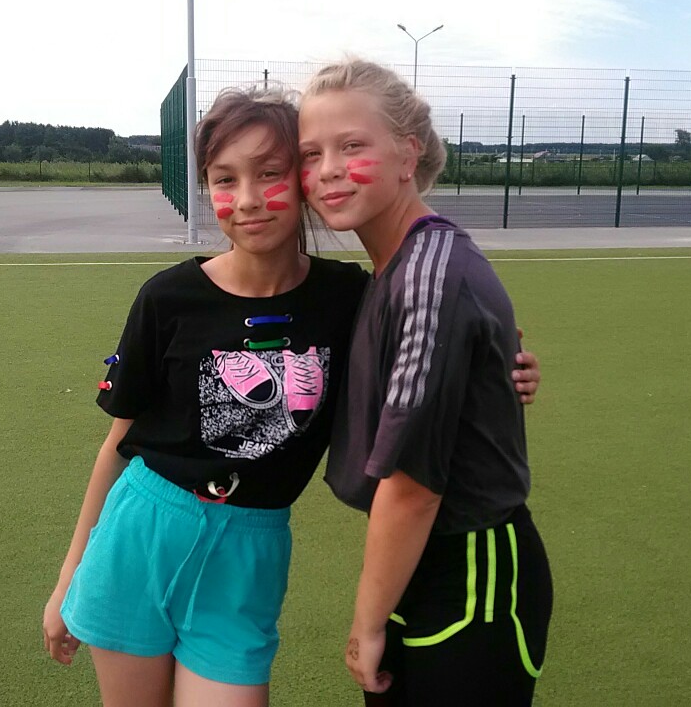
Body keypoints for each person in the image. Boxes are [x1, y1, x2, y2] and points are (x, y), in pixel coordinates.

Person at [42, 86, 542, 707]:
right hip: (139, 538)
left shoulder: (349, 298)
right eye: (224, 180)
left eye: (270, 173)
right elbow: (117, 445)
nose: (248, 200)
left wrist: (505, 368)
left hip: (248, 555)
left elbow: (441, 344)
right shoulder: (168, 298)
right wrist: (69, 574)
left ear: (302, 182)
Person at [299, 59, 554, 706]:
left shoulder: (427, 276)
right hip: (419, 565)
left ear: (408, 154)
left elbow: (413, 488)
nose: (328, 169)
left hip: (473, 574)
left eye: (351, 145)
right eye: (311, 154)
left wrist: (366, 622)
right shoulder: (395, 267)